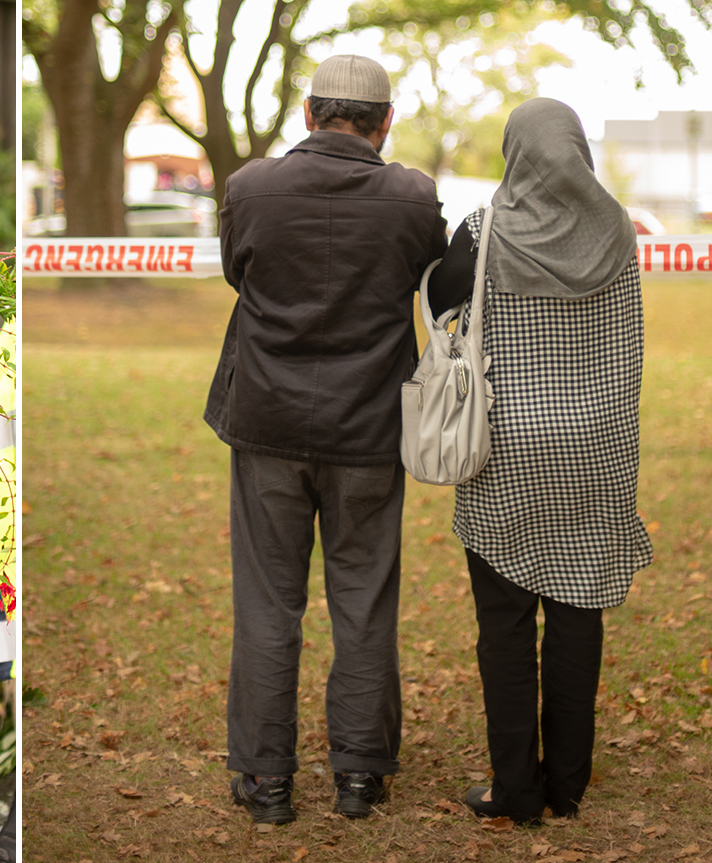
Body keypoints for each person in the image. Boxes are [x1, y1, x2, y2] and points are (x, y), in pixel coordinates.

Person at [203, 53, 447, 824]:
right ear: (383, 123)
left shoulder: (250, 187)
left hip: (270, 420)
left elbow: (239, 275)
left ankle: (267, 779)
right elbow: (423, 275)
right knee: (364, 601)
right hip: (370, 425)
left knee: (268, 602)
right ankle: (358, 775)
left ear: (308, 114)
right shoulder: (413, 196)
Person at [426, 97, 650, 824]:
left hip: (506, 449)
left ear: (514, 152)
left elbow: (435, 301)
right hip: (598, 445)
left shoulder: (481, 230)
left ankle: (515, 788)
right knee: (579, 610)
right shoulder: (617, 227)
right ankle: (568, 785)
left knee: (505, 623)